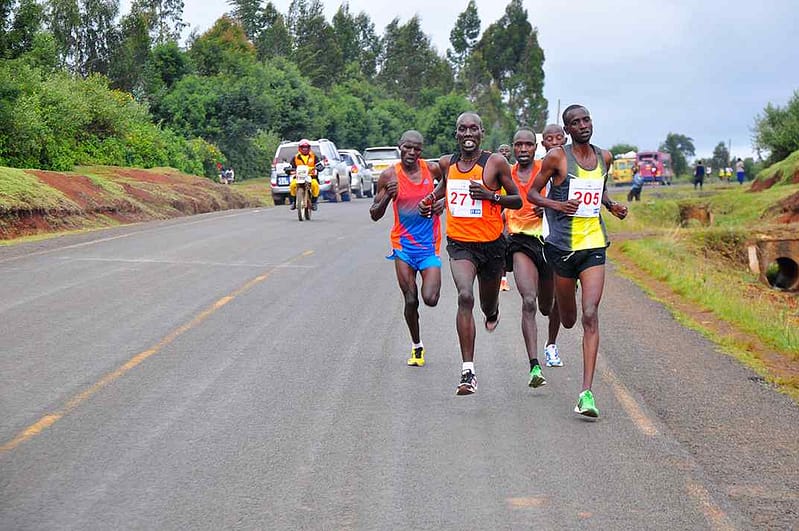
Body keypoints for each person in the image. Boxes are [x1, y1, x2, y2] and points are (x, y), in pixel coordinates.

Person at [528, 104, 628, 418]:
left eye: (586, 119)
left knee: (589, 313)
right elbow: (532, 194)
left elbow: (600, 190)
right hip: (561, 247)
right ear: (567, 129)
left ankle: (586, 393)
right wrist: (555, 206)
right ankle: (561, 306)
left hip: (594, 243)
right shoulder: (557, 157)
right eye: (576, 122)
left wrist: (611, 206)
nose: (583, 125)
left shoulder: (605, 157)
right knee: (568, 318)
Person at [418, 112, 522, 395]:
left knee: (487, 305)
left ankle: (493, 310)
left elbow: (516, 199)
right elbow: (444, 187)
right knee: (465, 296)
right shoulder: (447, 163)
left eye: (473, 129)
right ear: (456, 133)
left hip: (491, 245)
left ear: (481, 132)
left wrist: (491, 196)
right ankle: (468, 372)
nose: (467, 133)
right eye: (462, 129)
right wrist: (429, 201)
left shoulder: (495, 163)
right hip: (460, 243)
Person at [370, 131, 445, 367]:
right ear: (399, 147)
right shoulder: (389, 175)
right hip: (402, 246)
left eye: (417, 149)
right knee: (411, 299)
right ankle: (417, 346)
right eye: (407, 148)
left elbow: (452, 182)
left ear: (422, 151)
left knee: (430, 298)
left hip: (429, 246)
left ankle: (418, 342)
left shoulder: (431, 170)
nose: (412, 153)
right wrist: (386, 197)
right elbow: (374, 214)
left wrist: (441, 202)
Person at [504, 128, 560, 389]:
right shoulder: (507, 174)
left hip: (548, 241)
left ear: (535, 147)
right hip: (520, 242)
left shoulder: (546, 168)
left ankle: (551, 343)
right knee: (528, 300)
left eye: (528, 144)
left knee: (547, 306)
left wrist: (547, 203)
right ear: (514, 148)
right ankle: (534, 366)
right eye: (519, 145)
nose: (523, 149)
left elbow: (566, 193)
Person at [538, 123, 568, 368]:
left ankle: (551, 345)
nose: (555, 141)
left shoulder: (571, 169)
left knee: (559, 298)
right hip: (537, 238)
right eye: (550, 138)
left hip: (563, 240)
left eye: (559, 137)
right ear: (543, 143)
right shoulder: (539, 169)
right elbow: (527, 195)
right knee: (544, 303)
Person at [289, 139, 321, 211]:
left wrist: (319, 167)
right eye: (303, 147)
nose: (305, 149)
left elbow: (319, 165)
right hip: (298, 177)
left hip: (311, 177)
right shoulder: (295, 157)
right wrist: (288, 169)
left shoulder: (314, 157)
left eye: (306, 147)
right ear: (300, 148)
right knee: (292, 185)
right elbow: (291, 167)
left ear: (309, 148)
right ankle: (294, 201)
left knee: (315, 185)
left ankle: (314, 202)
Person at [497, 143, 513, 292]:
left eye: (507, 150)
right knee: (500, 243)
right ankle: (502, 279)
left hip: (511, 210)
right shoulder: (494, 170)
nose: (504, 153)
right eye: (501, 150)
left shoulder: (514, 170)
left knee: (508, 243)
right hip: (496, 209)